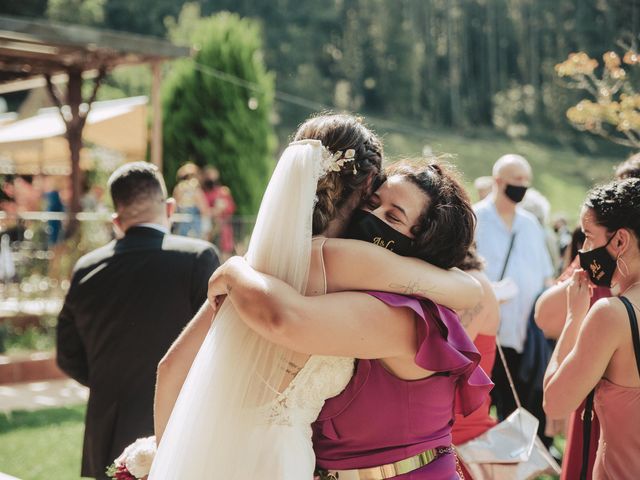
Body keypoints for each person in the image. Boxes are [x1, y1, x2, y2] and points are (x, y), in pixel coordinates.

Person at [149, 115, 483, 479]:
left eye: (393, 216)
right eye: (373, 203)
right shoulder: (310, 269)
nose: (373, 217)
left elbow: (172, 369)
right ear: (364, 186)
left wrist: (234, 270)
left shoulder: (262, 270)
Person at [56, 162, 220, 479]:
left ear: (116, 220)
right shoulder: (199, 259)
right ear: (170, 208)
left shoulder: (87, 269)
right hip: (177, 424)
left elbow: (67, 355)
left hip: (108, 430)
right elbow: (219, 343)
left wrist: (112, 380)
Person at [544, 177, 640, 480]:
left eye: (588, 237)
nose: (584, 250)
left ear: (620, 241)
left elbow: (555, 402)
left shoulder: (612, 315)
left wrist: (575, 317)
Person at [474, 154, 554, 424]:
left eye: (525, 181)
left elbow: (545, 276)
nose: (522, 185)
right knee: (479, 407)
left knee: (517, 408)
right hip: (486, 333)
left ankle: (512, 462)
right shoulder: (475, 219)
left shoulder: (530, 225)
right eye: (516, 180)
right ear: (498, 181)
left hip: (524, 334)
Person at [450, 247, 500, 479]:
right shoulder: (458, 282)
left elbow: (441, 359)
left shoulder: (473, 286)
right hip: (451, 431)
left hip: (464, 437)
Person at [202, 166, 236, 256]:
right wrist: (213, 211)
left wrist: (223, 207)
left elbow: (231, 208)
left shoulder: (222, 191)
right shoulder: (201, 193)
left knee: (224, 254)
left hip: (223, 228)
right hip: (207, 229)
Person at [172, 162, 209, 238]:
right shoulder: (196, 190)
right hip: (193, 227)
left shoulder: (178, 189)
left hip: (180, 226)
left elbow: (174, 207)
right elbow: (204, 210)